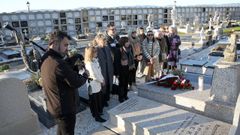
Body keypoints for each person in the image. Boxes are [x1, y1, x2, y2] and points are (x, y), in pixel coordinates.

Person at [40, 30, 88, 135]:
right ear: (56, 44)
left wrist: (72, 60)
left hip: (54, 106)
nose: (67, 48)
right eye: (65, 45)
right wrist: (85, 76)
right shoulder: (58, 64)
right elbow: (75, 82)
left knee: (61, 130)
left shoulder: (46, 58)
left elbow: (62, 71)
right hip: (64, 109)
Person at [84, 46, 106, 123]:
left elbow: (99, 72)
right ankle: (96, 116)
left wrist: (102, 79)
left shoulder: (95, 60)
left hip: (98, 84)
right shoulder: (89, 63)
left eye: (96, 51)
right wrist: (101, 81)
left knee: (98, 100)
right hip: (93, 85)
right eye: (95, 52)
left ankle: (97, 112)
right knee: (94, 101)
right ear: (91, 54)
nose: (97, 53)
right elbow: (93, 75)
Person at [92, 33, 114, 107]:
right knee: (102, 86)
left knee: (108, 84)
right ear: (98, 41)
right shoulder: (96, 49)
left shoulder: (107, 48)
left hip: (108, 69)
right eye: (103, 40)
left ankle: (107, 97)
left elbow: (111, 59)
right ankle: (103, 100)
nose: (104, 41)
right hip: (101, 71)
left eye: (105, 40)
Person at [105, 23, 121, 103]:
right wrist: (116, 48)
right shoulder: (106, 39)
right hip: (110, 62)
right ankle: (108, 94)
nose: (114, 30)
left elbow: (120, 47)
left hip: (117, 61)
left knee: (116, 77)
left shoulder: (116, 37)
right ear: (108, 30)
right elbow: (111, 51)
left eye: (115, 29)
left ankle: (114, 90)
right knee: (109, 79)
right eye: (112, 29)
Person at [118, 37, 135, 102]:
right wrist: (117, 72)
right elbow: (117, 61)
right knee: (122, 84)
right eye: (127, 42)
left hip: (129, 68)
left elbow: (132, 57)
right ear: (123, 43)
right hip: (122, 69)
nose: (128, 43)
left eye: (128, 41)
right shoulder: (119, 50)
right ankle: (121, 97)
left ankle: (125, 95)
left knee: (126, 83)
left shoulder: (130, 48)